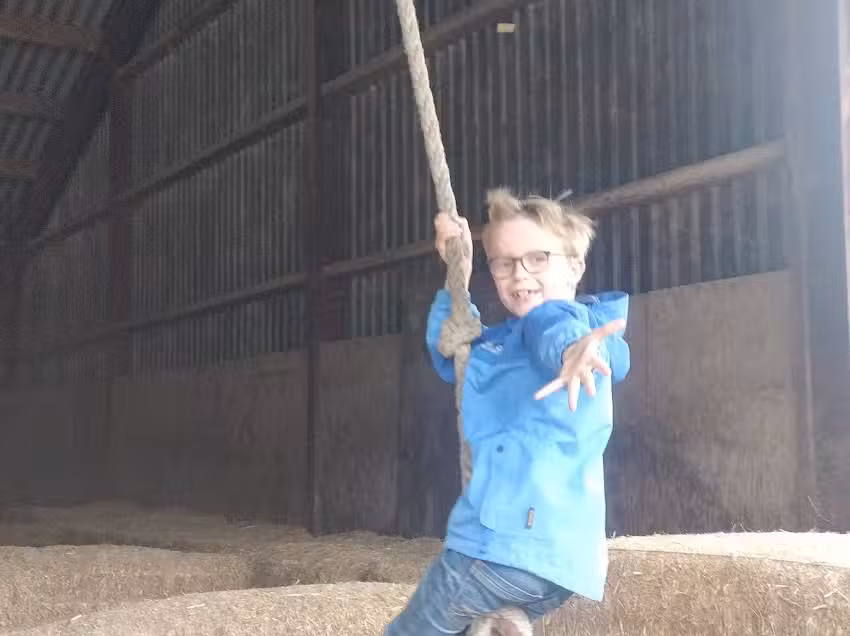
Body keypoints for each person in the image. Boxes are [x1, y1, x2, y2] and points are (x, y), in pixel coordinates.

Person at [384, 188, 631, 635]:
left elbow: (555, 330)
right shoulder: (505, 343)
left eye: (538, 258)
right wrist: (454, 268)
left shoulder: (556, 322)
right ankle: (505, 624)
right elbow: (453, 355)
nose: (520, 274)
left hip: (502, 544)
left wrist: (572, 350)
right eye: (504, 262)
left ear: (576, 265)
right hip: (556, 567)